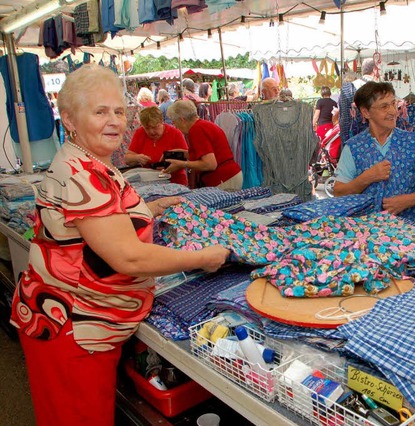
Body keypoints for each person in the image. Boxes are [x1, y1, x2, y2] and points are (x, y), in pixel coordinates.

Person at [9, 64, 230, 426]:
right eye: (99, 112)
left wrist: (149, 210)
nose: (114, 120)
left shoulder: (92, 161)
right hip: (74, 328)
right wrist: (202, 257)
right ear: (69, 119)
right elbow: (128, 256)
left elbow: (100, 222)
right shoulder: (81, 173)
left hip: (77, 323)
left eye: (118, 111)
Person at [333, 81, 415, 223]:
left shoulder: (412, 142)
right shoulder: (353, 147)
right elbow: (339, 193)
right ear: (366, 112)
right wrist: (366, 178)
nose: (393, 111)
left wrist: (406, 201)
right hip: (367, 235)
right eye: (384, 106)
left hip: (410, 233)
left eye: (393, 104)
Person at [165, 100, 243, 190]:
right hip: (229, 176)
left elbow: (210, 164)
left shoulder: (196, 130)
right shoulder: (203, 125)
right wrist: (180, 153)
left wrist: (182, 164)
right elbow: (204, 153)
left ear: (182, 120)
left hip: (223, 179)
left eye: (174, 122)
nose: (175, 126)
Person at [125, 106, 189, 185]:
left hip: (175, 181)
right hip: (149, 181)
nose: (152, 132)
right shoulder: (140, 133)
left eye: (155, 127)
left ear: (162, 121)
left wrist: (171, 167)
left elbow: (187, 159)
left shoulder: (175, 133)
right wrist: (137, 157)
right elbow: (127, 159)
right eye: (147, 128)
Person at [338, 58, 377, 144]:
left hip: (353, 141)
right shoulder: (380, 89)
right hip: (375, 139)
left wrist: (346, 143)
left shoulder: (347, 89)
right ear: (374, 70)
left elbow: (344, 120)